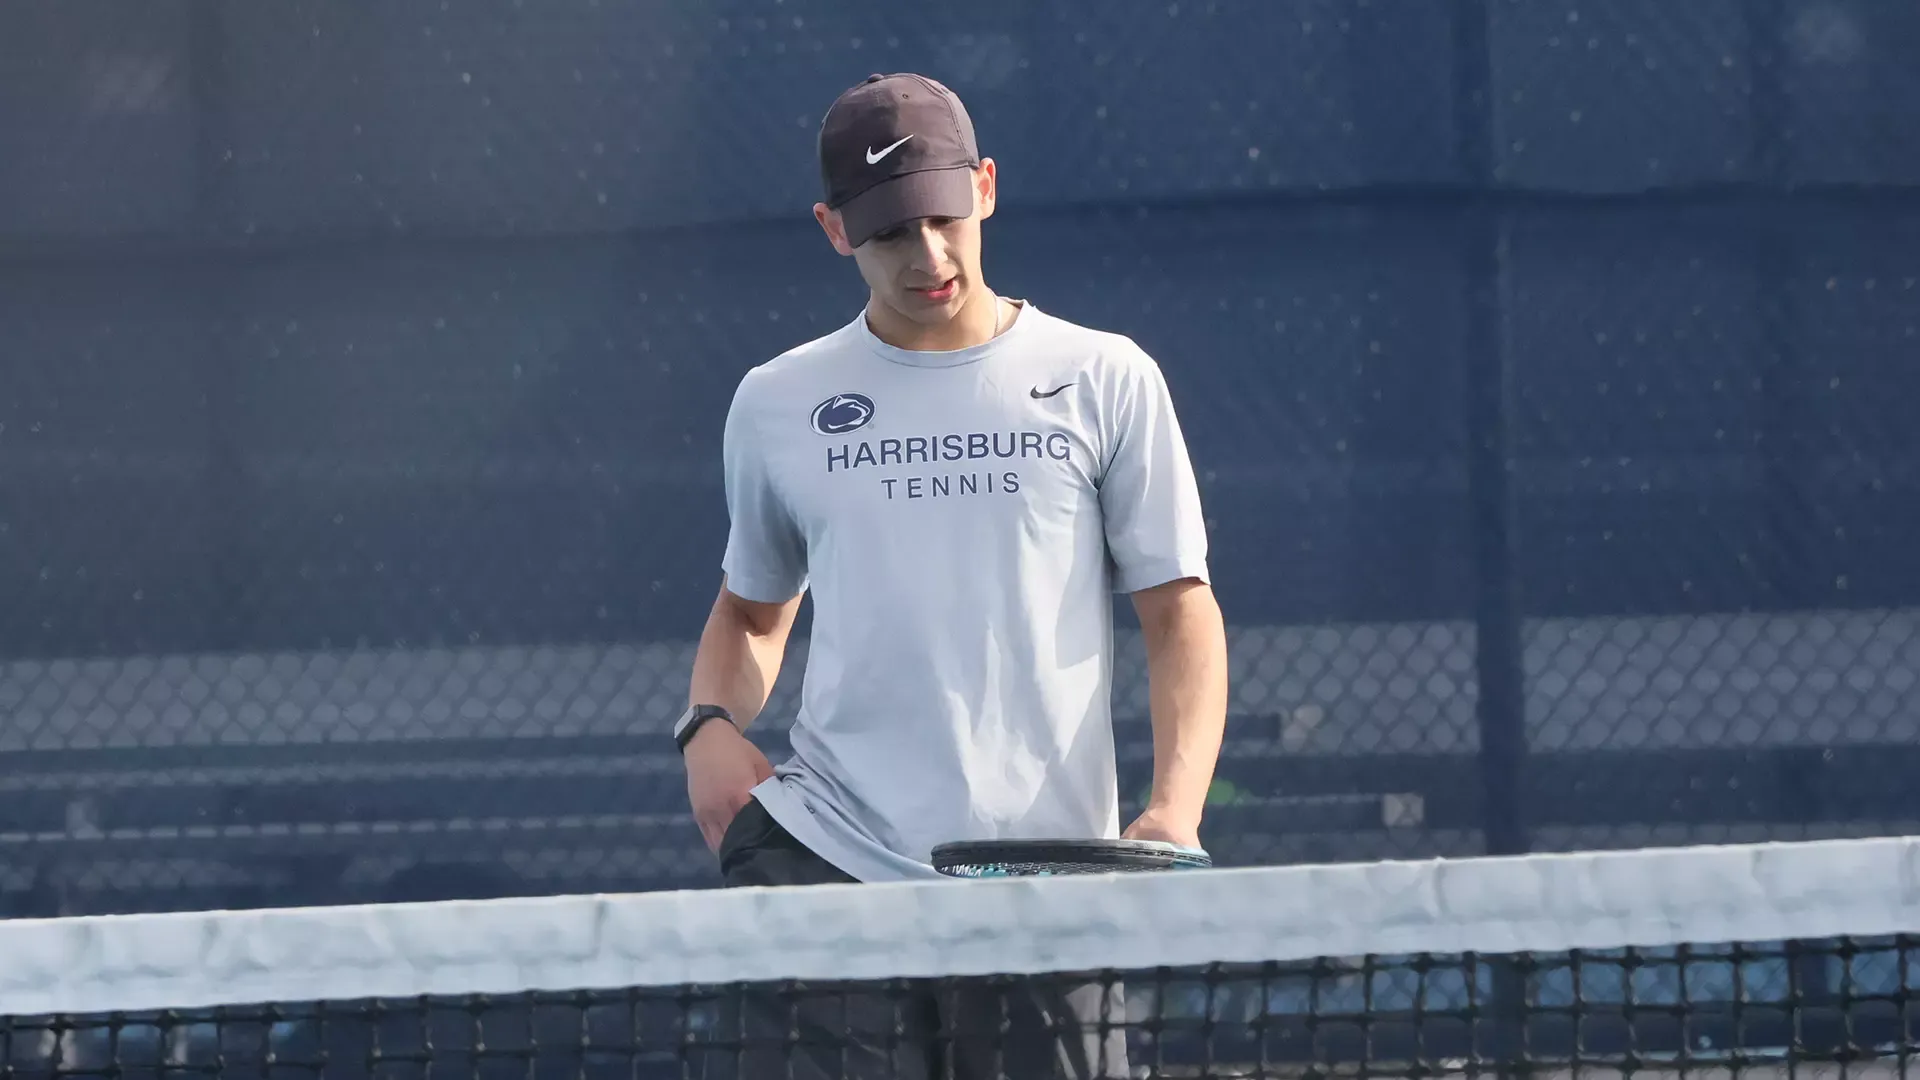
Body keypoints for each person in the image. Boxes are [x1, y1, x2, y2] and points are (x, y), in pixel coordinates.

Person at [675, 72, 1230, 1079]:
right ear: (835, 230)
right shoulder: (776, 403)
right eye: (889, 231)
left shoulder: (1107, 378)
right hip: (826, 855)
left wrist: (1175, 812)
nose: (927, 255)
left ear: (984, 187)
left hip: (1051, 884)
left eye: (941, 217)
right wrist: (707, 728)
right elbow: (753, 615)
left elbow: (1179, 615)